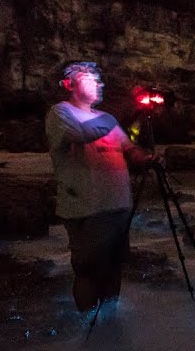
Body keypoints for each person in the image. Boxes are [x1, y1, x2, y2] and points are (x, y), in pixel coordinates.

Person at [45, 61, 160, 314]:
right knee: (88, 270)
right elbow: (81, 133)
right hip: (85, 208)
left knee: (113, 267)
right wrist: (121, 113)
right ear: (70, 84)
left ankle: (109, 323)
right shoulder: (60, 113)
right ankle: (87, 324)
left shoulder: (106, 118)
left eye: (99, 80)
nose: (99, 83)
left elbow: (129, 148)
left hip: (117, 206)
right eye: (90, 79)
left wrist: (145, 148)